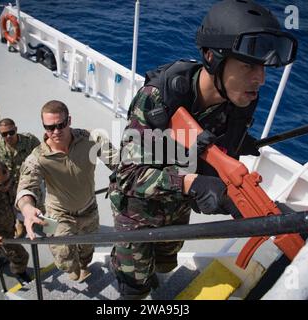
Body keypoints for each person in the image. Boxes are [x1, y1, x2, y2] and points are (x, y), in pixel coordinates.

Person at [108, 0, 298, 299]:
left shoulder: (240, 99)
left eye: (262, 68)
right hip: (138, 214)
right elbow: (128, 177)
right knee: (133, 287)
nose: (260, 79)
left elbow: (217, 157)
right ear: (212, 57)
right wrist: (191, 183)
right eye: (248, 65)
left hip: (177, 209)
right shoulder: (159, 98)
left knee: (165, 264)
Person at [15, 100, 118, 282]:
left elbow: (119, 164)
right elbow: (26, 187)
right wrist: (26, 208)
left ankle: (84, 264)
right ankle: (72, 268)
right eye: (50, 127)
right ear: (44, 127)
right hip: (57, 213)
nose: (56, 131)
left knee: (87, 248)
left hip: (88, 208)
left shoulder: (91, 139)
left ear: (69, 120)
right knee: (63, 255)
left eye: (61, 125)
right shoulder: (38, 157)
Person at [0, 118, 41, 237]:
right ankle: (20, 222)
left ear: (16, 129)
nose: (8, 136)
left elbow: (42, 157)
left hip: (30, 182)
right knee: (15, 205)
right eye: (4, 134)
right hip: (9, 185)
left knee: (38, 202)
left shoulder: (30, 141)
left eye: (11, 132)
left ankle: (42, 220)